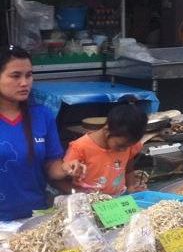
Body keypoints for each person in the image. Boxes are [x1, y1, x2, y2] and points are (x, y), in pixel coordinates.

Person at [0, 47, 83, 221]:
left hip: (35, 217)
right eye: (15, 76)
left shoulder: (42, 115)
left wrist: (66, 168)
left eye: (29, 75)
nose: (24, 83)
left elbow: (51, 165)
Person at [62, 98, 147, 196]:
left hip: (117, 199)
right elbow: (63, 180)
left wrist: (131, 187)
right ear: (107, 132)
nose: (124, 150)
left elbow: (129, 169)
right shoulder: (80, 147)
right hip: (88, 201)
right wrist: (80, 194)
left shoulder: (128, 145)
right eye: (121, 146)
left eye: (128, 146)